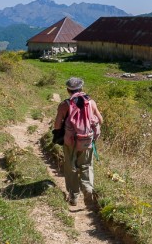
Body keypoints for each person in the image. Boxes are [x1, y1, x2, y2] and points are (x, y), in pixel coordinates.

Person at [54, 77, 103, 207]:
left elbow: (57, 125)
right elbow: (100, 120)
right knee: (86, 166)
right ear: (81, 88)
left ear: (67, 90)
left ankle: (74, 196)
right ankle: (88, 190)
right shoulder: (91, 102)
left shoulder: (65, 104)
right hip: (87, 141)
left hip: (71, 142)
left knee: (71, 168)